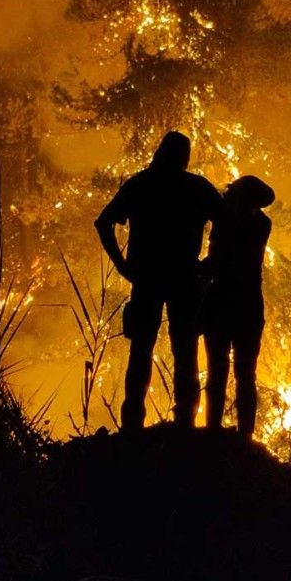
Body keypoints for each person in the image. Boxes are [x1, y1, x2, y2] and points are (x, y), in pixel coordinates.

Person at [95, 131, 223, 430]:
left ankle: (132, 426)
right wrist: (212, 262)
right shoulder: (196, 187)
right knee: (186, 351)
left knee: (141, 349)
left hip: (147, 278)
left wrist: (122, 265)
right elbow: (228, 220)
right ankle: (185, 425)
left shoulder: (141, 184)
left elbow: (103, 223)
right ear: (184, 156)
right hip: (185, 279)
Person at [201, 175, 274, 439]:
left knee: (218, 369)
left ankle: (212, 431)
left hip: (221, 302)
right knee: (245, 373)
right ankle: (244, 437)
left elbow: (215, 260)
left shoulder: (226, 221)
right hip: (249, 306)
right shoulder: (262, 223)